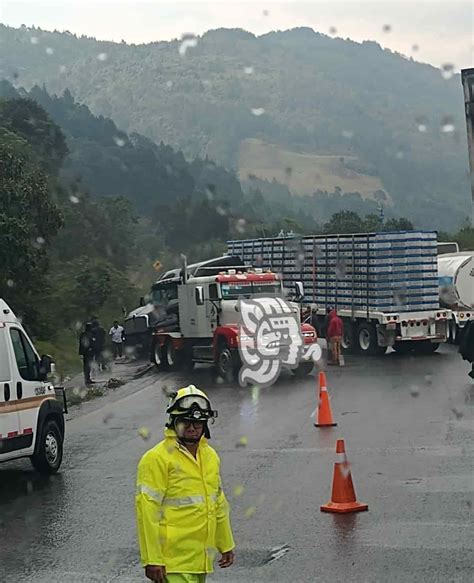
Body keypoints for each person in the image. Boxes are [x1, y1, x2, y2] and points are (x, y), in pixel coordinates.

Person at [136, 385, 235, 583]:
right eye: (185, 422)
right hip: (171, 564)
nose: (191, 428)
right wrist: (152, 559)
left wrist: (225, 543)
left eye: (197, 423)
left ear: (205, 424)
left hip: (199, 561)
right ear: (173, 422)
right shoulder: (157, 458)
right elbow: (147, 511)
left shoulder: (210, 456)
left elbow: (217, 503)